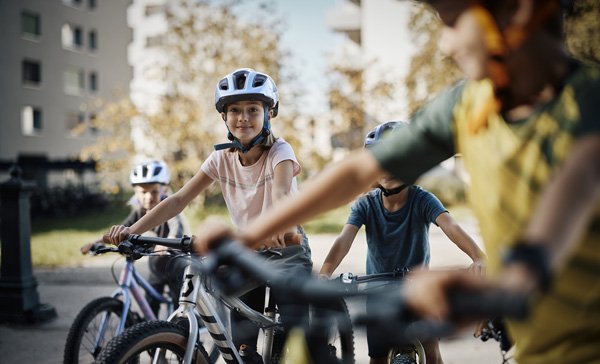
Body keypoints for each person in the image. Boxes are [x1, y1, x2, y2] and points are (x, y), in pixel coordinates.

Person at [192, 1, 600, 363]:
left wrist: (508, 283)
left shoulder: (587, 106)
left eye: (453, 19)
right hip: (530, 346)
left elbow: (572, 191)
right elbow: (360, 170)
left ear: (520, 10)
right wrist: (252, 235)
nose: (445, 44)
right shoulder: (468, 104)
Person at [104, 68, 312, 360]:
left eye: (254, 109)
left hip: (286, 244)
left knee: (293, 331)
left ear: (269, 114)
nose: (243, 117)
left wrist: (279, 224)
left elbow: (280, 196)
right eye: (235, 110)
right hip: (248, 249)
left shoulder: (280, 152)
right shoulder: (220, 158)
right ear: (224, 117)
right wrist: (132, 230)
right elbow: (177, 200)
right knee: (242, 337)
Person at [319, 121, 485, 364]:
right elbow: (344, 239)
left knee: (432, 351)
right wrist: (325, 272)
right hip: (377, 291)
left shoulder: (422, 199)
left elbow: (451, 226)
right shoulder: (366, 204)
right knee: (377, 356)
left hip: (417, 289)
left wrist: (478, 256)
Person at [82, 160, 188, 316]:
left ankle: (190, 336)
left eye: (153, 191)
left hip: (175, 266)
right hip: (157, 268)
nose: (148, 197)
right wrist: (95, 242)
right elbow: (122, 228)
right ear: (136, 192)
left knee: (181, 310)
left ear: (164, 189)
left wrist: (166, 243)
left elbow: (176, 229)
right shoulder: (138, 212)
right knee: (150, 305)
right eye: (143, 192)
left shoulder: (169, 210)